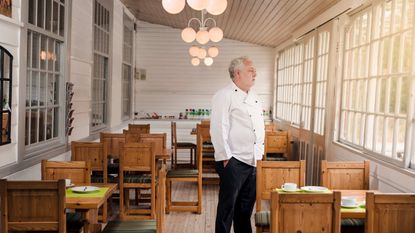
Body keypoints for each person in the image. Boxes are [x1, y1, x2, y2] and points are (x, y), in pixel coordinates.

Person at [210, 56, 265, 233]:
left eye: (254, 70)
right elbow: (219, 127)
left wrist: (259, 154)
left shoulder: (255, 97)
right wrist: (226, 157)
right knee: (227, 209)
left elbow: (258, 128)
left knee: (244, 210)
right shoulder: (224, 95)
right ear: (237, 74)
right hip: (233, 160)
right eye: (251, 70)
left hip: (253, 161)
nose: (255, 74)